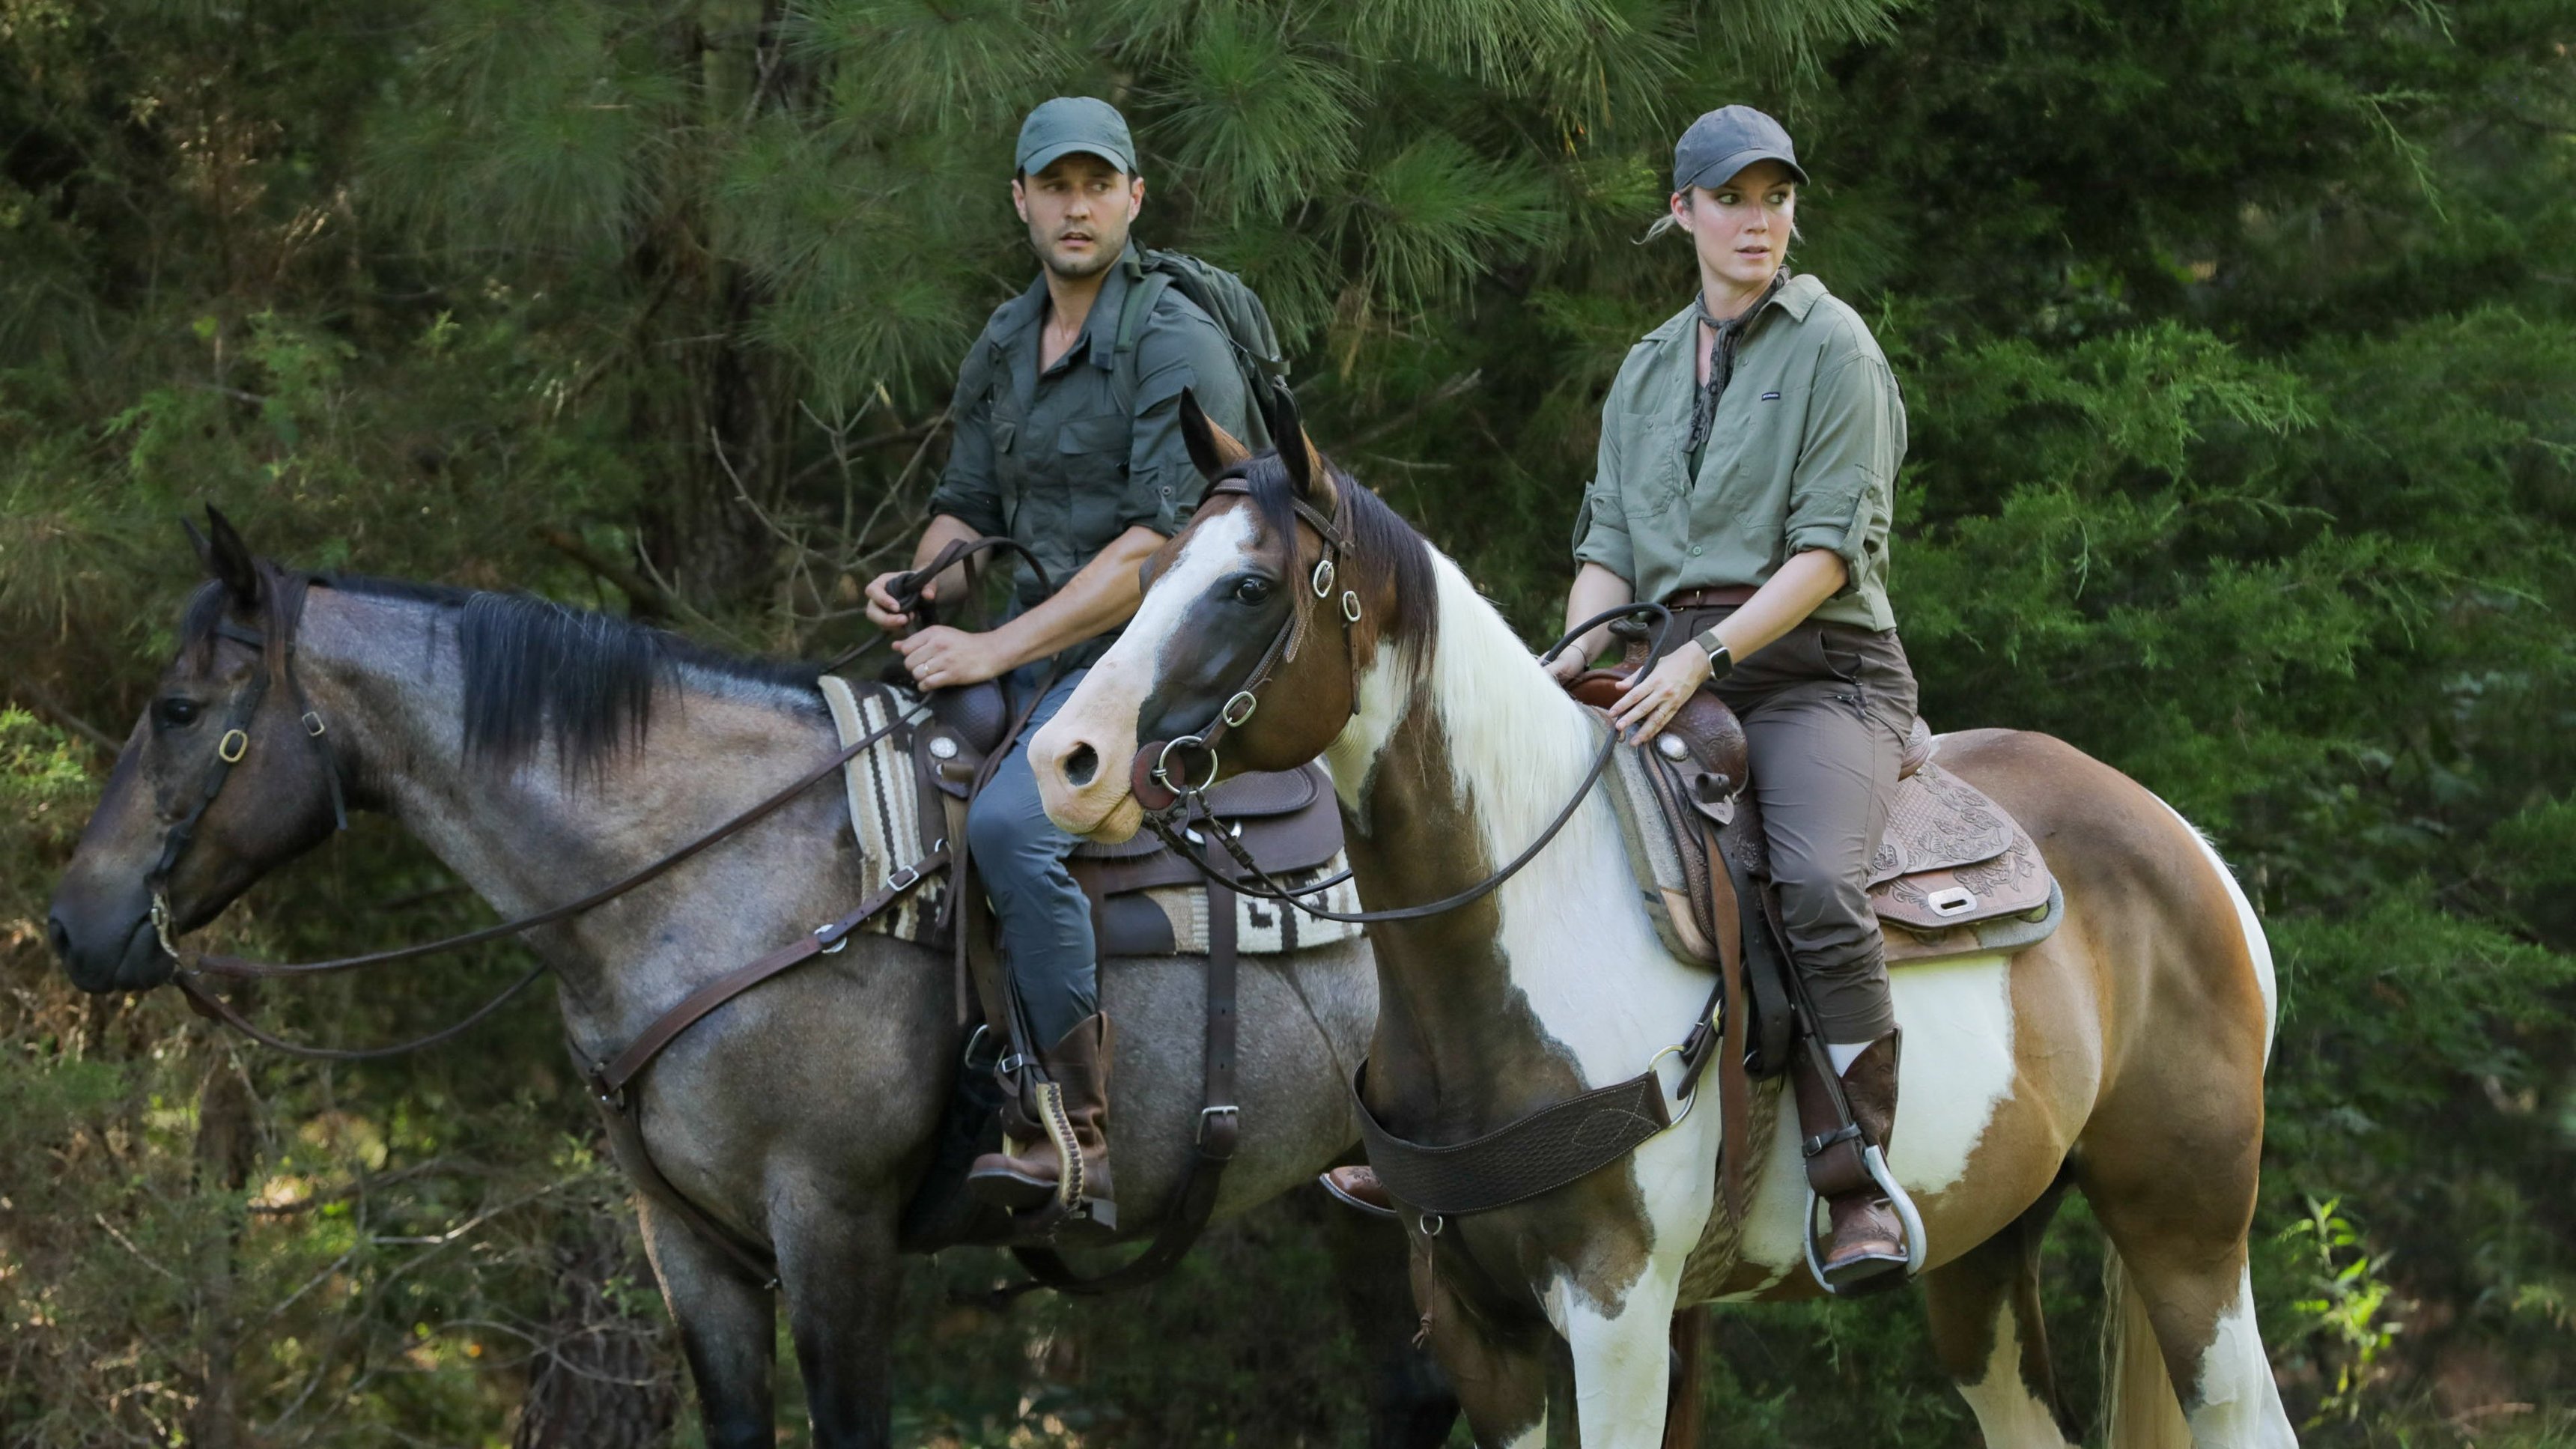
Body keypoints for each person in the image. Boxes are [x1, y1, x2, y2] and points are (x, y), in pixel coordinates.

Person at [864, 97, 1254, 1225]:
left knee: (1009, 827)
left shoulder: (1173, 336)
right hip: (1043, 649)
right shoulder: (1006, 338)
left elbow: (1160, 552)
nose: (1077, 206)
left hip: (1167, 655)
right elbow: (965, 507)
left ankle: (1073, 1130)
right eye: (1055, 186)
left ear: (1136, 197)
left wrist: (989, 642)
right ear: (1022, 203)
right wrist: (922, 583)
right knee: (873, 764)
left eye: (1099, 185)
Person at [1558, 103, 1919, 1287]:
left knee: (1814, 881)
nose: (1757, 220)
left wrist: (1699, 664)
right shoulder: (1649, 366)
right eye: (1731, 198)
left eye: (1774, 198)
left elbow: (1825, 558)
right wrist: (1569, 664)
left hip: (1820, 674)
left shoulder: (1836, 348)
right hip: (1664, 661)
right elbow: (1608, 543)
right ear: (1684, 214)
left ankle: (1858, 1169)